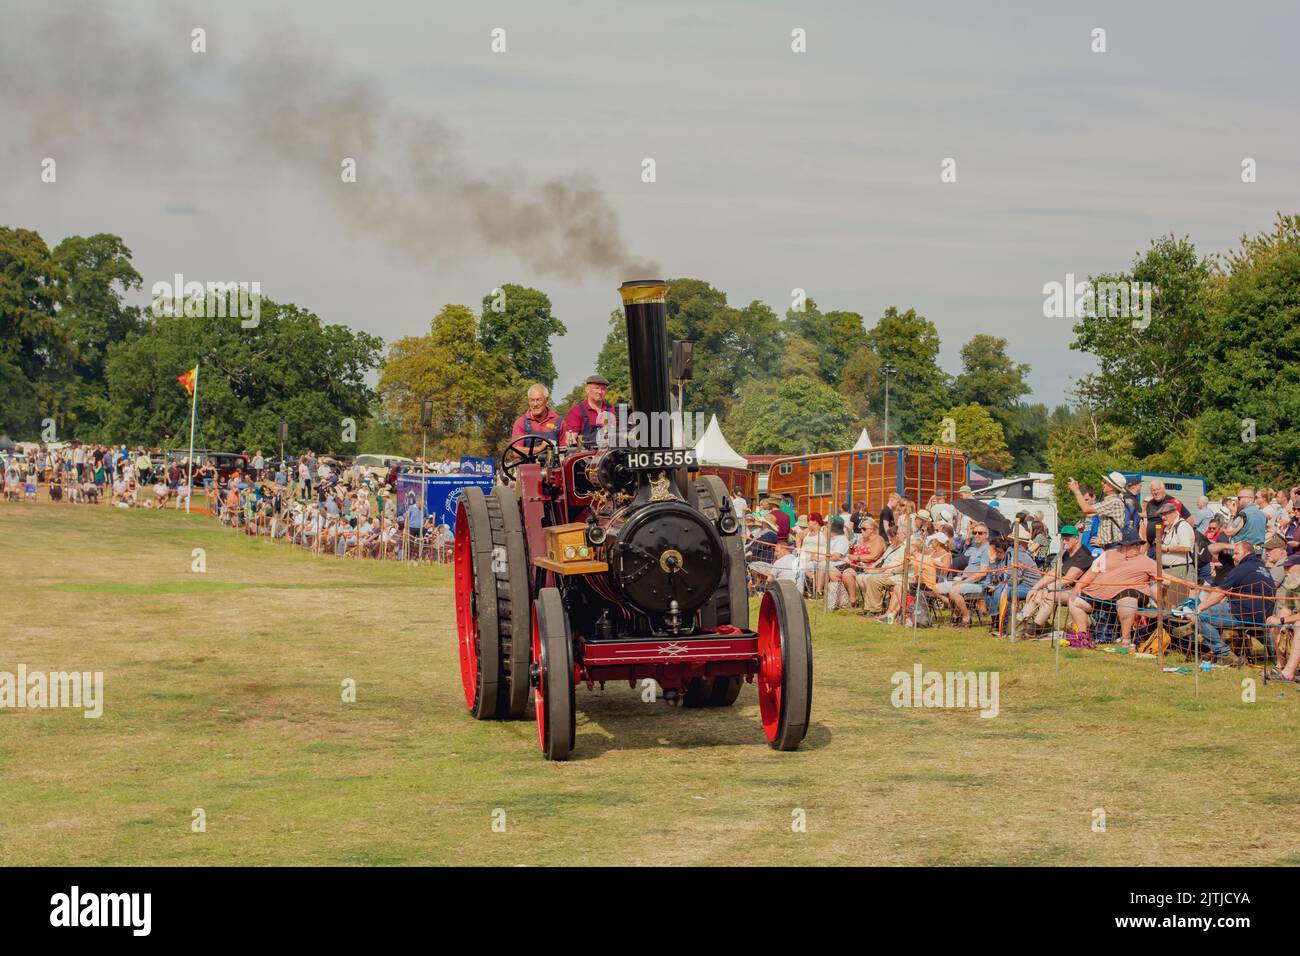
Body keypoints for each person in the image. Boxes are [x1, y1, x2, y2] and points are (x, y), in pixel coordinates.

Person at [1190, 539, 1276, 666]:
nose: (1233, 556)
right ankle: (1276, 655)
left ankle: (1225, 654)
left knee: (1202, 618)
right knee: (1256, 628)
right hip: (1264, 616)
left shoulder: (1242, 568)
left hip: (1242, 612)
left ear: (1246, 553)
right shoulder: (1263, 568)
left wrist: (1199, 608)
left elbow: (1220, 592)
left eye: (1236, 553)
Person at [1068, 535, 1159, 647]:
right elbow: (1092, 573)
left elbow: (1162, 577)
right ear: (1124, 546)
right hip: (1100, 592)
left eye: (1139, 544)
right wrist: (1078, 585)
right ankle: (1083, 637)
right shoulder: (1107, 555)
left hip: (1128, 594)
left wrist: (1185, 584)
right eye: (1134, 544)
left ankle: (1126, 639)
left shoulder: (1146, 561)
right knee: (1074, 600)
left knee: (1127, 600)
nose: (1138, 547)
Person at [1019, 525, 1094, 634]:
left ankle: (1035, 629)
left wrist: (1048, 588)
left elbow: (1068, 579)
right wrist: (1035, 587)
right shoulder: (1066, 553)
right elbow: (1054, 572)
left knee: (1049, 595)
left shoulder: (1084, 556)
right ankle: (1021, 620)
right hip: (1066, 590)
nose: (1064, 542)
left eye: (1067, 539)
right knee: (1037, 593)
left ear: (1076, 538)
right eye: (1062, 539)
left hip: (1082, 594)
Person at [561, 375, 613, 446]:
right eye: (596, 388)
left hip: (610, 453)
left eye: (603, 389)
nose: (600, 392)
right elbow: (570, 440)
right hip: (586, 455)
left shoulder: (612, 410)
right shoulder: (576, 411)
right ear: (587, 390)